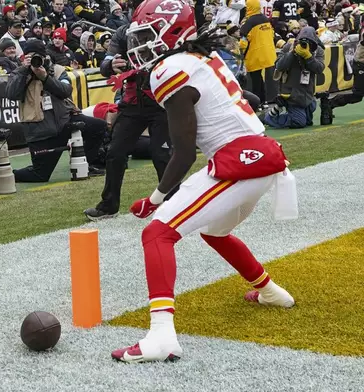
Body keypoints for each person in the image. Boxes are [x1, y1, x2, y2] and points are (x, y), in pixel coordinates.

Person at [110, 0, 296, 363]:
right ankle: (271, 291)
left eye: (149, 35)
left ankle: (162, 336)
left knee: (157, 233)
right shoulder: (201, 58)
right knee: (214, 231)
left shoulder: (169, 69)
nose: (140, 45)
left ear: (174, 33)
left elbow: (183, 153)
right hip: (263, 156)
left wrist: (156, 198)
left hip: (237, 163)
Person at [83, 20, 174, 221]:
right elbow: (106, 65)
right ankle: (109, 205)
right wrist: (110, 64)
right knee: (115, 152)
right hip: (132, 101)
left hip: (160, 101)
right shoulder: (124, 32)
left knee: (162, 155)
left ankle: (174, 205)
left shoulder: (166, 27)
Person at [5, 38, 106, 182]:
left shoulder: (57, 70)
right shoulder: (19, 73)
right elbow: (11, 95)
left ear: (45, 56)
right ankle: (10, 174)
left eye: (37, 56)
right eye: (30, 57)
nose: (35, 60)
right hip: (40, 131)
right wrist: (23, 71)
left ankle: (89, 163)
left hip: (64, 122)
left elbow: (65, 91)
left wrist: (45, 77)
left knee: (98, 126)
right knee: (40, 175)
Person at [265, 26, 324, 128]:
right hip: (291, 93)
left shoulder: (318, 50)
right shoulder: (289, 46)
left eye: (309, 42)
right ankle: (270, 117)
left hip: (307, 93)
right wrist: (292, 53)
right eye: (302, 41)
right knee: (299, 122)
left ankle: (278, 112)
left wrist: (309, 57)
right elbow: (279, 66)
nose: (305, 45)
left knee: (308, 120)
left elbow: (319, 69)